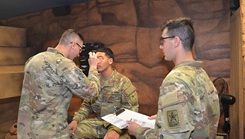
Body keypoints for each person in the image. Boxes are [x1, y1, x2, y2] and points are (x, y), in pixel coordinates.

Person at [127, 17, 220, 138]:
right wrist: (162, 117)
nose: (161, 47)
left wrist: (139, 131)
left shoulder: (175, 80)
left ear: (176, 41)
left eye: (163, 41)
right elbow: (199, 116)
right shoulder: (200, 73)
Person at [17, 29, 100, 139]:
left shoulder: (33, 60)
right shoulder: (64, 64)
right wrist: (93, 67)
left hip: (26, 131)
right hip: (50, 133)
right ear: (73, 45)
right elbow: (92, 92)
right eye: (79, 49)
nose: (78, 55)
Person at [68, 47, 139, 139]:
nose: (97, 61)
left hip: (118, 124)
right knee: (75, 132)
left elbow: (132, 109)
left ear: (110, 61)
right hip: (99, 122)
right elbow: (86, 105)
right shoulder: (94, 82)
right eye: (95, 58)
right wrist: (75, 120)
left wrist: (115, 130)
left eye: (100, 58)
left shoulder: (123, 82)